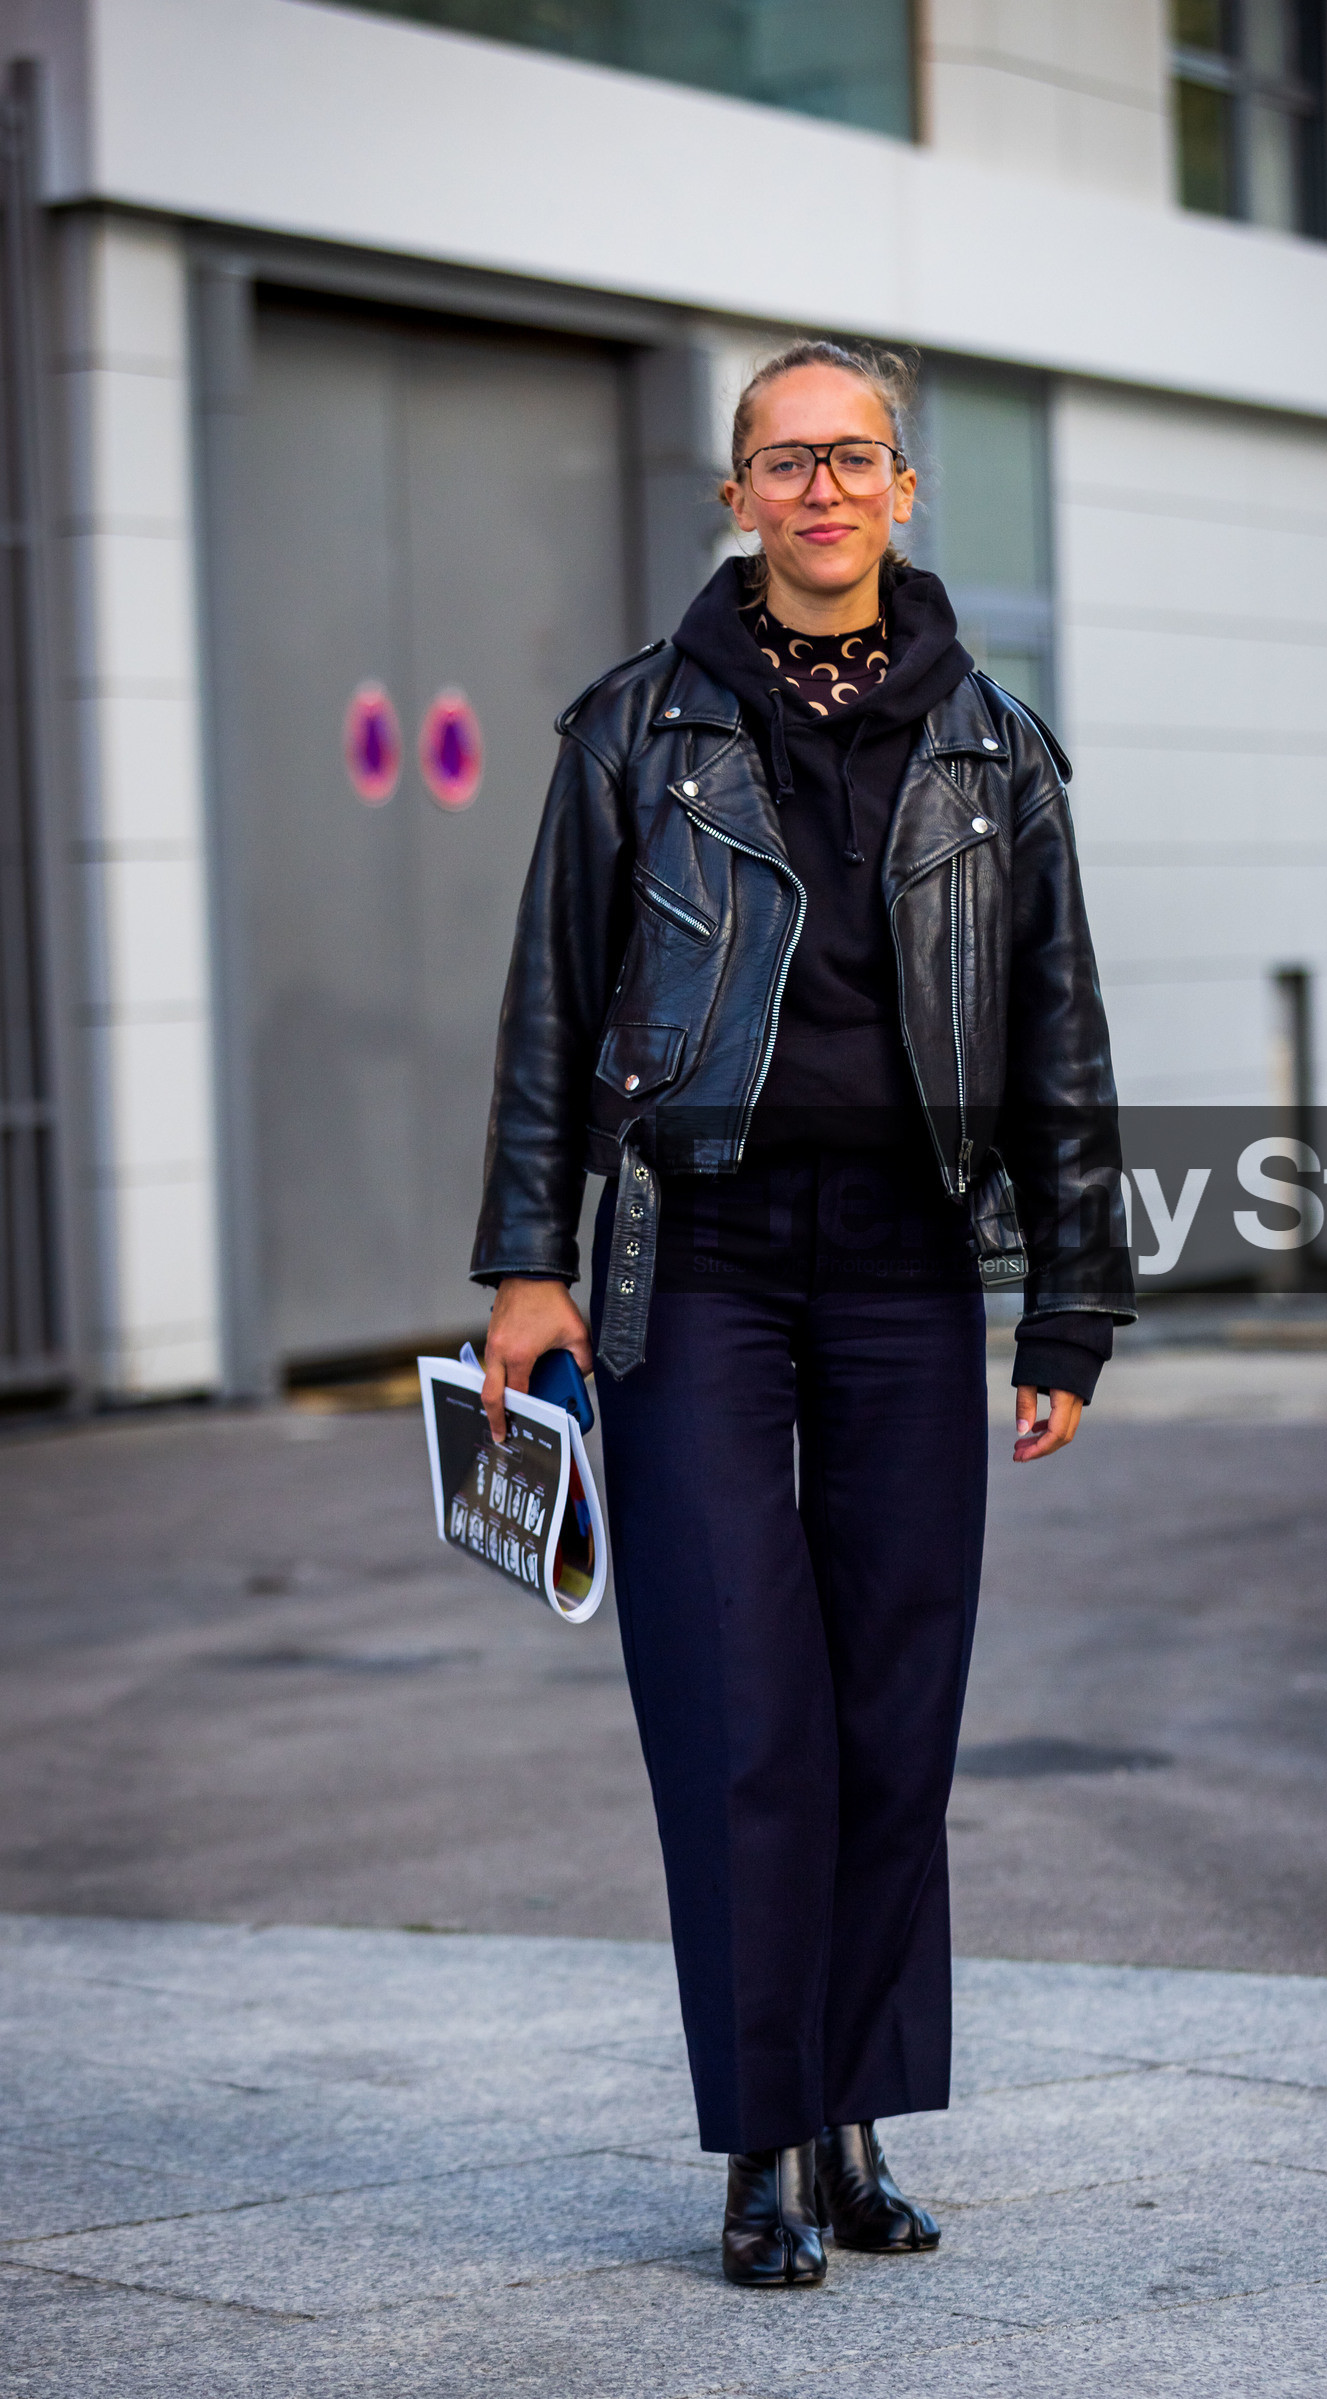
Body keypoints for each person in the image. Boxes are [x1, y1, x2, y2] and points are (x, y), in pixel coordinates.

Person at [472, 340, 1133, 2288]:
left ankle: (850, 2123)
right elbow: (547, 1018)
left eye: (851, 457)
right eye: (783, 460)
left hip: (913, 1273)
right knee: (736, 1707)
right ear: (737, 492)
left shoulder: (995, 749)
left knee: (886, 1716)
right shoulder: (631, 733)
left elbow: (1056, 1043)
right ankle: (760, 2145)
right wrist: (524, 1262)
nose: (819, 488)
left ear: (902, 489)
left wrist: (1071, 1309)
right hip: (697, 1262)